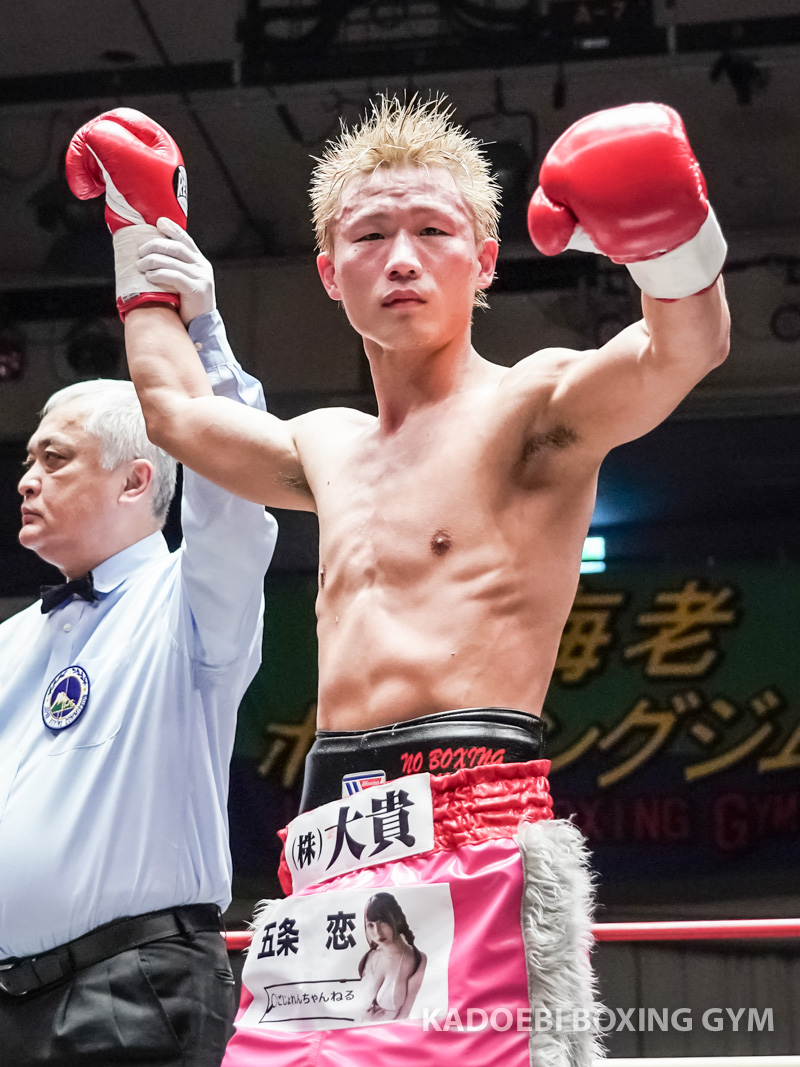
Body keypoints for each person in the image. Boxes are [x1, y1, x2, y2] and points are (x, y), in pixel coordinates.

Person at [75, 97, 729, 1065]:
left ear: (486, 260)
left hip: (473, 829)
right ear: (328, 272)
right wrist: (142, 232)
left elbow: (685, 346)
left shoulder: (532, 405)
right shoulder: (324, 443)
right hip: (328, 844)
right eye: (371, 235)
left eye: (433, 231)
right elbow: (174, 412)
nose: (402, 258)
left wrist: (670, 239)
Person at [0, 114, 279, 1067]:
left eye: (54, 458)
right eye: (26, 460)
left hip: (134, 987)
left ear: (135, 481)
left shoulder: (190, 603)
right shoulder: (12, 640)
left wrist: (197, 326)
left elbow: (239, 495)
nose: (26, 480)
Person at [359, 892, 427, 1022]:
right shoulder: (370, 957)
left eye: (382, 922)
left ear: (396, 919)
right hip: (357, 1029)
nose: (377, 932)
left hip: (390, 1032)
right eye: (370, 925)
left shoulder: (417, 960)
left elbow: (405, 1014)